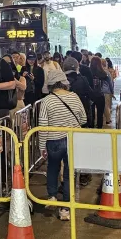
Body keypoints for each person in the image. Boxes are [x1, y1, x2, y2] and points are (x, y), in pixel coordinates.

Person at [38, 66, 86, 221]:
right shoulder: (74, 97)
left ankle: (52, 196)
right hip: (73, 139)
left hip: (54, 141)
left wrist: (41, 146)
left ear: (50, 85)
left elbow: (43, 125)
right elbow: (84, 119)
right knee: (69, 173)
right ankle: (66, 209)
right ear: (64, 83)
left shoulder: (46, 101)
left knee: (52, 168)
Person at [64, 57, 103, 129]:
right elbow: (91, 95)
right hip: (80, 113)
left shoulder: (60, 79)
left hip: (63, 115)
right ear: (76, 67)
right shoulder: (82, 79)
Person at [92, 56, 114, 127]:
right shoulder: (104, 72)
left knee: (93, 109)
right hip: (104, 92)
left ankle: (93, 123)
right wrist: (111, 91)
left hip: (92, 93)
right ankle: (105, 122)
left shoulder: (89, 71)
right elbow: (110, 83)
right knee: (104, 108)